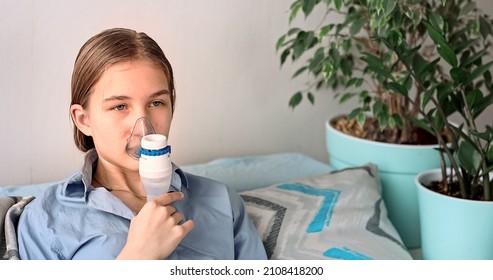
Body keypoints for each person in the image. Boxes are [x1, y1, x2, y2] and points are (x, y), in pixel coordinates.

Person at [17, 28, 267, 260]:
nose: (144, 126)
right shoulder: (45, 218)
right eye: (119, 106)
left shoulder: (220, 200)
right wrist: (137, 259)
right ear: (84, 120)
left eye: (156, 103)